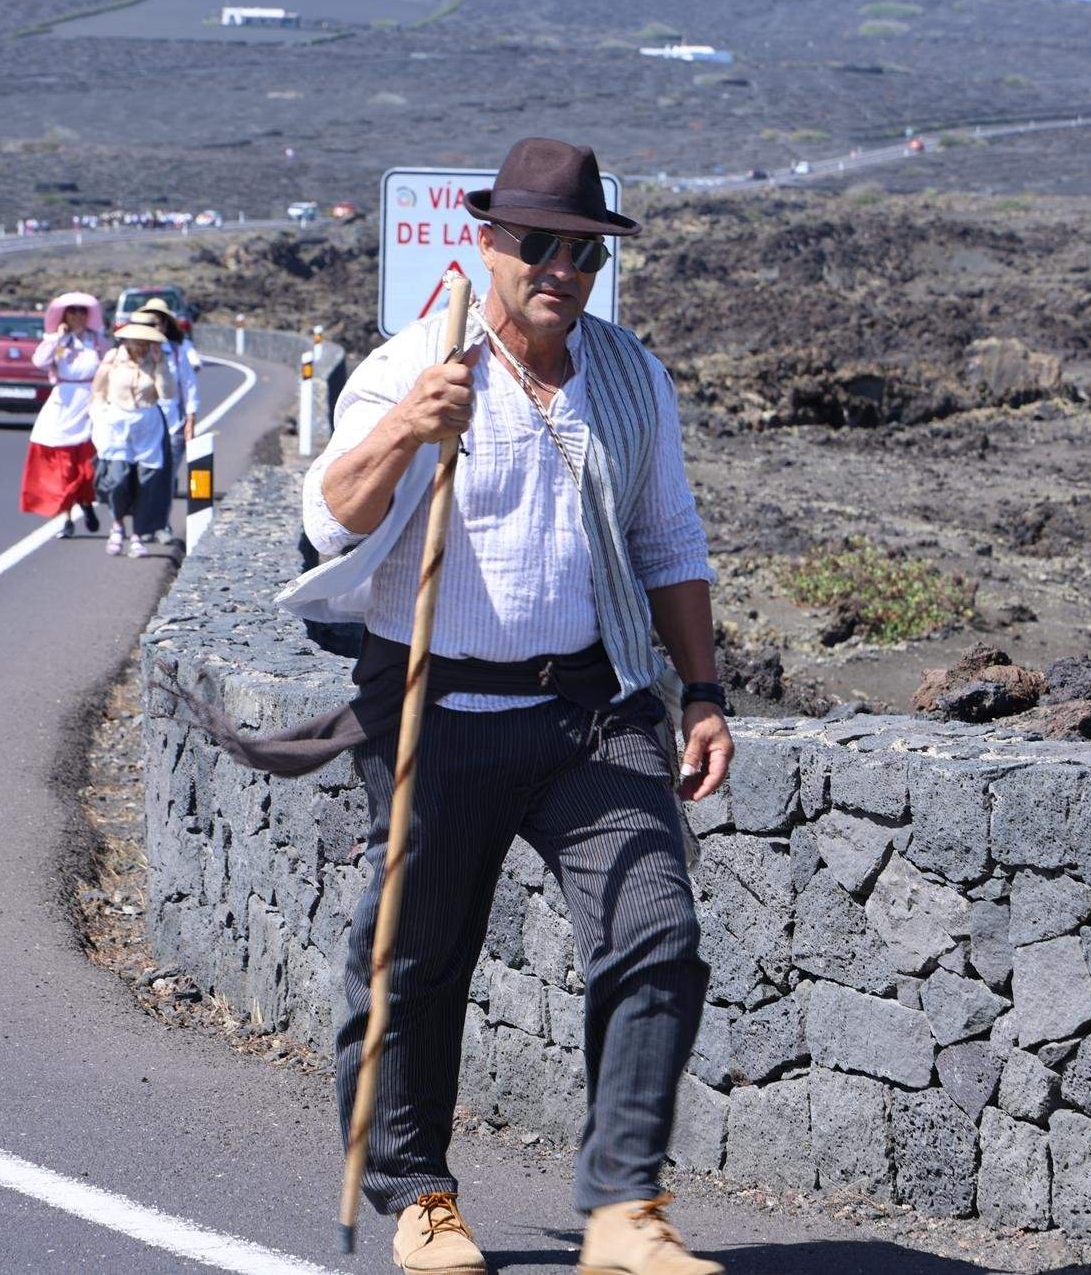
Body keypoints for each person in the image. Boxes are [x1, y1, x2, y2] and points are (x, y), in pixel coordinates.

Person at [187, 139, 731, 1275]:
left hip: (593, 709)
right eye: (537, 243)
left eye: (582, 249)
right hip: (436, 710)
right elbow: (329, 523)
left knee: (658, 939)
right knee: (416, 964)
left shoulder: (631, 375)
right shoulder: (410, 367)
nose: (560, 267)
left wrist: (705, 691)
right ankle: (419, 1194)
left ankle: (626, 1208)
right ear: (486, 243)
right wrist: (401, 432)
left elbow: (669, 539)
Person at [90, 312, 174, 558]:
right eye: (135, 340)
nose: (139, 346)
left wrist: (160, 365)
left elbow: (167, 393)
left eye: (144, 341)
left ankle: (138, 533)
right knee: (117, 478)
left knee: (146, 481)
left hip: (147, 424)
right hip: (117, 424)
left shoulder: (157, 360)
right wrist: (99, 419)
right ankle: (117, 524)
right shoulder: (113, 359)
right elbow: (97, 392)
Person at [21, 292, 105, 539]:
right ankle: (66, 518)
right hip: (64, 405)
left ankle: (87, 504)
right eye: (73, 311)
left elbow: (109, 364)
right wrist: (58, 338)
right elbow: (40, 361)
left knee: (88, 466)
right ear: (65, 315)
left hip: (90, 404)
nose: (78, 316)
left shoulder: (96, 341)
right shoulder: (59, 341)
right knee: (64, 467)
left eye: (82, 311)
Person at [135, 296, 199, 544]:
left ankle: (163, 524)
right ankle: (144, 524)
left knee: (167, 475)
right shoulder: (133, 350)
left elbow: (190, 386)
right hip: (141, 422)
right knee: (145, 475)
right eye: (149, 323)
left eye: (158, 322)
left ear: (165, 324)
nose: (155, 328)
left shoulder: (177, 350)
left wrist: (191, 421)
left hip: (172, 422)